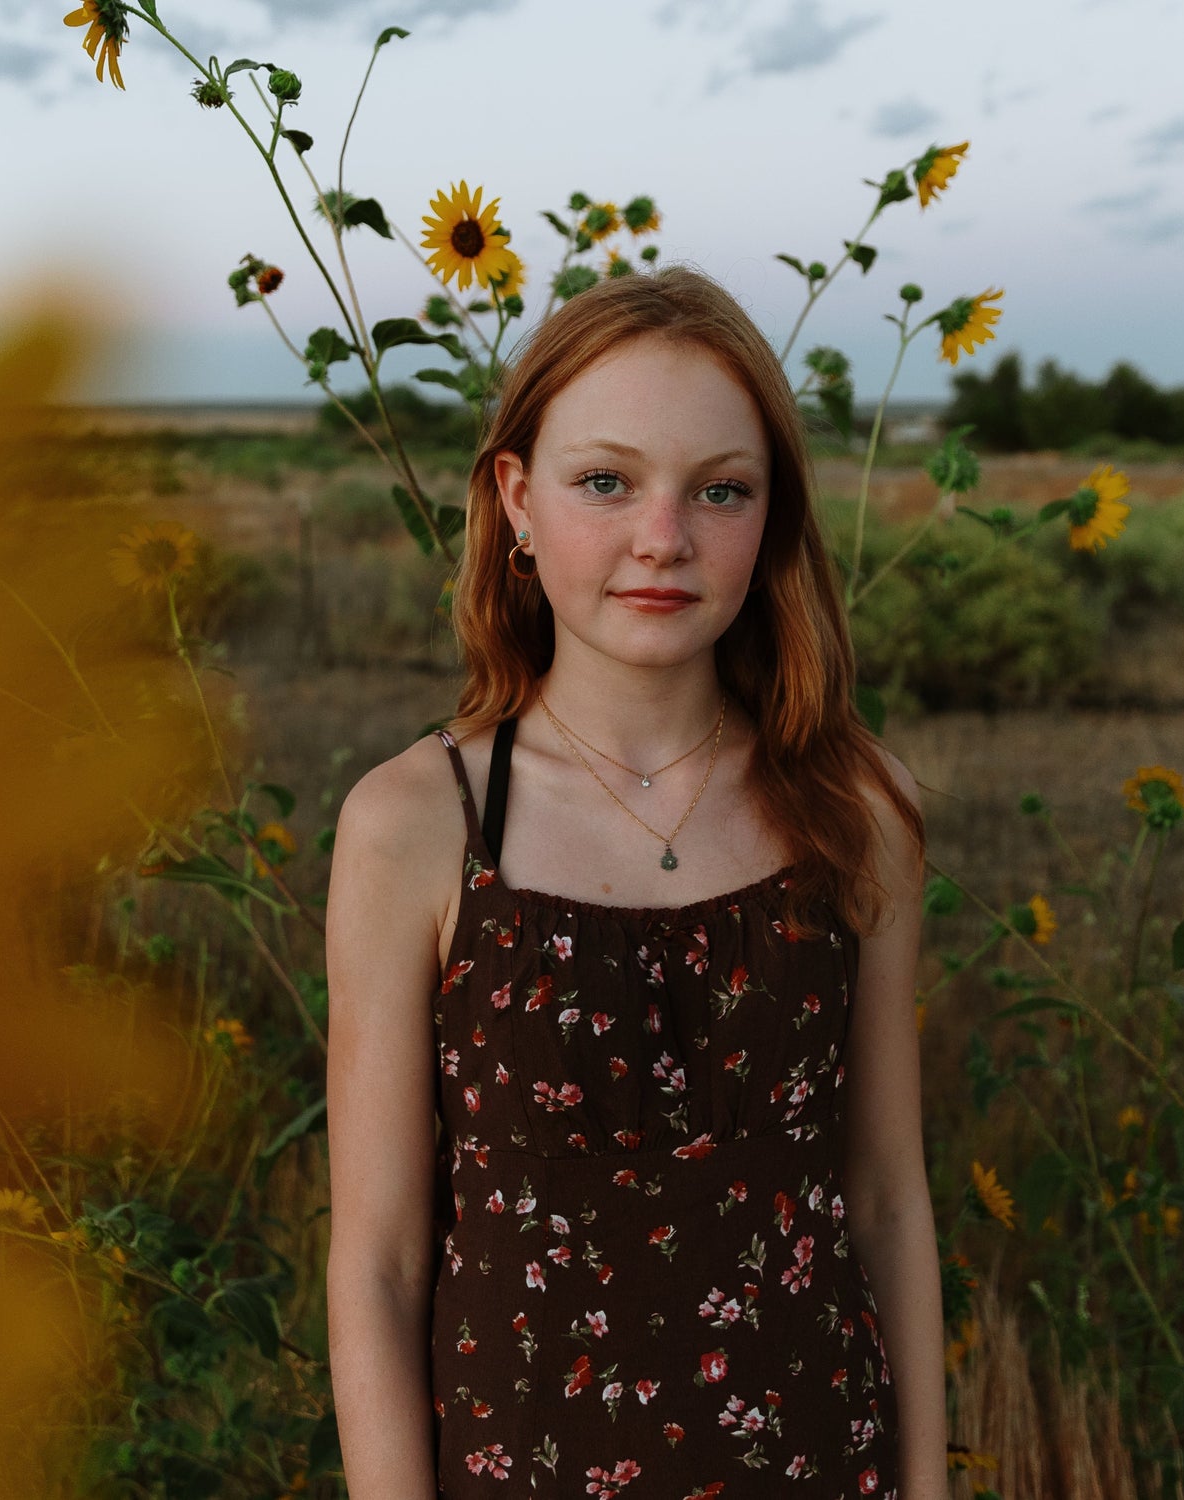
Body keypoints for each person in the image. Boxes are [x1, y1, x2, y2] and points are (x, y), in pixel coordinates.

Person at [325, 267, 947, 1498]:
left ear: (769, 516)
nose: (663, 536)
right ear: (517, 499)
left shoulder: (858, 811)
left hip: (825, 1467)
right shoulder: (416, 824)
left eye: (720, 489)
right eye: (605, 481)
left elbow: (883, 1196)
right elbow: (383, 1260)